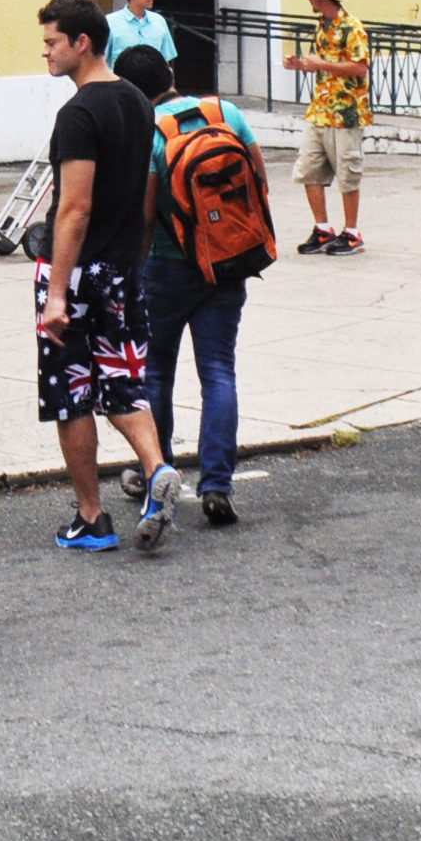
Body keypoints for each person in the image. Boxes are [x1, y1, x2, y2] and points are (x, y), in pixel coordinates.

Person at [33, 0, 186, 554]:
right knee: (124, 382)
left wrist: (55, 293)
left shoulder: (78, 114)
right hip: (123, 270)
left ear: (83, 43)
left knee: (72, 393)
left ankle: (93, 519)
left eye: (52, 42)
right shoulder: (137, 102)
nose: (45, 52)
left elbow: (74, 209)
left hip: (75, 274)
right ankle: (156, 469)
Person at [111, 44, 248, 528]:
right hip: (227, 263)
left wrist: (134, 267)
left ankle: (160, 472)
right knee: (218, 371)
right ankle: (217, 485)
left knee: (156, 376)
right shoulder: (224, 111)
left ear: (131, 90)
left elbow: (147, 213)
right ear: (170, 73)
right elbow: (258, 181)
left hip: (167, 270)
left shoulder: (150, 131)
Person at [283, 0, 372, 256]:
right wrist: (300, 65)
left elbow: (360, 67)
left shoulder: (352, 27)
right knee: (309, 170)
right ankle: (323, 230)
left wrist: (321, 64)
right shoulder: (323, 25)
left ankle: (352, 233)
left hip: (346, 112)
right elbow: (322, 63)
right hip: (320, 110)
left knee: (348, 173)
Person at [104, 0, 179, 67]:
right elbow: (101, 61)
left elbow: (166, 64)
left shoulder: (159, 21)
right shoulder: (110, 22)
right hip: (122, 81)